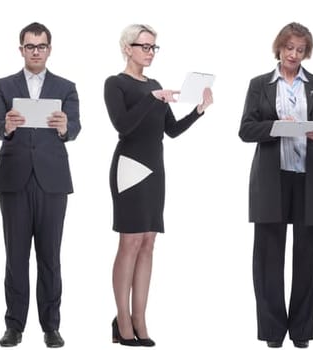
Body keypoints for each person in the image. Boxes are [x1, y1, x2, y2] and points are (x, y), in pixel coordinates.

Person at [104, 23, 213, 347]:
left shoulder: (155, 84)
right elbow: (123, 125)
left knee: (149, 242)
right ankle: (122, 320)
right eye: (144, 46)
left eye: (153, 47)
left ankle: (140, 318)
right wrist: (153, 99)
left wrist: (198, 110)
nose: (150, 52)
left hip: (155, 170)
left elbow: (172, 130)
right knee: (130, 242)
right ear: (128, 48)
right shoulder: (116, 83)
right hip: (129, 168)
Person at [239, 22, 313, 349]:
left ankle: (302, 333)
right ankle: (272, 333)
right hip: (271, 180)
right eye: (288, 48)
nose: (293, 55)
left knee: (308, 260)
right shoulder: (260, 85)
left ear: (306, 52)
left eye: (300, 49)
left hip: (309, 179)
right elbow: (246, 130)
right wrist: (279, 127)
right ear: (278, 48)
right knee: (268, 259)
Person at [0, 22, 79, 349]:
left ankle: (51, 327)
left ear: (49, 49)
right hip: (14, 179)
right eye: (30, 46)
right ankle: (14, 326)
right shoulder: (3, 86)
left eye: (41, 46)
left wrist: (66, 127)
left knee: (50, 256)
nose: (36, 51)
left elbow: (76, 128)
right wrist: (5, 127)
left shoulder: (66, 87)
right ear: (21, 49)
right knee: (16, 256)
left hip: (52, 181)